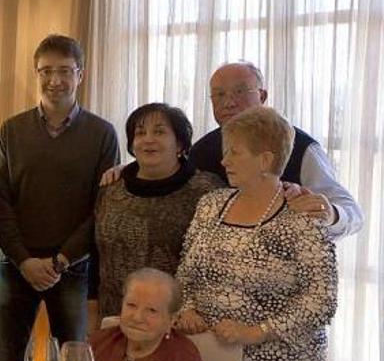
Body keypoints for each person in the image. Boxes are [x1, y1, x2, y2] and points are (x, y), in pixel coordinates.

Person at [176, 106, 337, 361]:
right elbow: (187, 269)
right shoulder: (211, 204)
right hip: (212, 356)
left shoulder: (303, 216)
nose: (224, 161)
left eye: (235, 153)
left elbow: (321, 300)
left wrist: (257, 332)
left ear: (265, 160)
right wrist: (187, 309)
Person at [101, 61, 363, 240]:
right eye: (219, 94)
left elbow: (352, 213)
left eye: (240, 91)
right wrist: (130, 169)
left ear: (262, 96)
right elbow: (172, 177)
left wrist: (331, 213)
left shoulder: (300, 146)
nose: (229, 102)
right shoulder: (204, 148)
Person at [0, 34, 119, 361]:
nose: (55, 80)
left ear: (81, 74)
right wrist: (23, 259)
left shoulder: (102, 134)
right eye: (46, 71)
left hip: (73, 267)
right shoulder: (11, 131)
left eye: (64, 71)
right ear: (36, 73)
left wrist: (61, 260)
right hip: (16, 264)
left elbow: (103, 207)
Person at [93, 103, 222, 318]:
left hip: (179, 320)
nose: (148, 139)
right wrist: (91, 310)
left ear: (180, 143)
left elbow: (218, 264)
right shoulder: (110, 189)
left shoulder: (206, 190)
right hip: (116, 315)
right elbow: (96, 254)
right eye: (140, 133)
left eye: (159, 132)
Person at [90, 268, 213, 361]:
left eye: (152, 310)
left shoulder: (183, 358)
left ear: (171, 320)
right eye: (131, 305)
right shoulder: (100, 341)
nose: (137, 317)